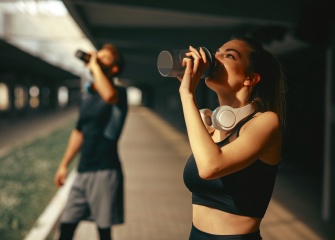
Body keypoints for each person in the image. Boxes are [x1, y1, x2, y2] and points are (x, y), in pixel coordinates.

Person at [180, 36, 286, 240]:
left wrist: (187, 95)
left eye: (229, 55)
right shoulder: (211, 125)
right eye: (217, 52)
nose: (215, 58)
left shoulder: (266, 122)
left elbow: (210, 166)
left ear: (251, 78)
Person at [54, 44, 128, 240]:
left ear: (114, 69)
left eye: (104, 58)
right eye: (98, 55)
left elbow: (109, 96)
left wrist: (94, 66)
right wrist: (64, 165)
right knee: (66, 227)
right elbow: (79, 132)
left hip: (105, 171)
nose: (97, 58)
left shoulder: (119, 94)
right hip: (82, 171)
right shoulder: (87, 96)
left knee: (103, 232)